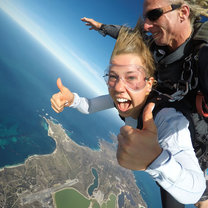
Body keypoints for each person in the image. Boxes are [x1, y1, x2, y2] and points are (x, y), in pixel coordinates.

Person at [51, 27, 206, 207]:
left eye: (131, 77)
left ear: (149, 85)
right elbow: (90, 106)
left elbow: (194, 191)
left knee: (200, 202)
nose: (117, 87)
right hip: (164, 162)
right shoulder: (120, 98)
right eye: (112, 77)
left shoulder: (166, 117)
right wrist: (73, 100)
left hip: (188, 158)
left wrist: (154, 159)